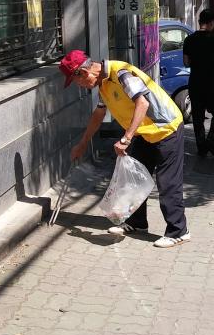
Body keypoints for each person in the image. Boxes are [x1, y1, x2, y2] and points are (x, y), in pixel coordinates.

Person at [59, 50, 189, 248]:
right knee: (133, 179)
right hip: (145, 133)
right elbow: (99, 113)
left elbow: (142, 102)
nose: (81, 87)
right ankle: (137, 223)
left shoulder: (122, 74)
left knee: (168, 183)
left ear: (84, 73)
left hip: (166, 129)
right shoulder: (102, 83)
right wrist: (83, 143)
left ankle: (178, 231)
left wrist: (126, 138)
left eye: (77, 82)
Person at [183, 9, 214, 156]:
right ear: (211, 23)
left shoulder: (189, 40)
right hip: (212, 85)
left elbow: (186, 62)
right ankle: (210, 141)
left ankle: (201, 147)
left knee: (198, 117)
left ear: (200, 22)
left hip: (195, 84)